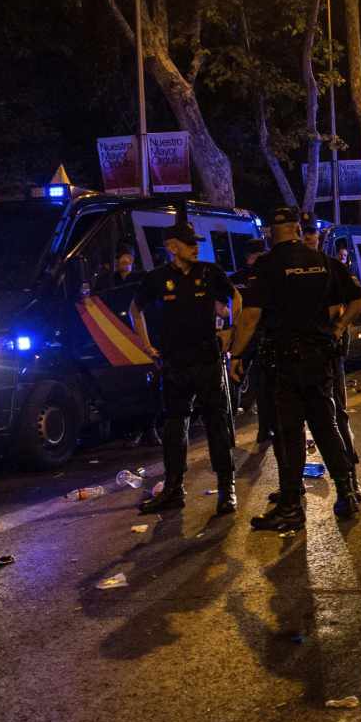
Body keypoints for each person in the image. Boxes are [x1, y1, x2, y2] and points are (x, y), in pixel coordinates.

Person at [228, 206, 361, 530]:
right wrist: (338, 328)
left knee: (289, 432)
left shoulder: (267, 265)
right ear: (295, 228)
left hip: (286, 362)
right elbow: (359, 300)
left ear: (271, 232)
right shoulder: (324, 262)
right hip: (320, 360)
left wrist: (236, 354)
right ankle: (346, 492)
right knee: (325, 426)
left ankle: (291, 505)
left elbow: (250, 317)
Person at [129, 221, 242, 516]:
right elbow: (135, 309)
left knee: (217, 424)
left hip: (207, 360)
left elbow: (236, 297)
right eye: (189, 242)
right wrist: (147, 346)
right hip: (175, 363)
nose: (195, 246)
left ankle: (227, 488)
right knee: (174, 427)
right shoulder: (157, 278)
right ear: (172, 246)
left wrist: (232, 332)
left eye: (196, 242)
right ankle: (173, 489)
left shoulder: (210, 272)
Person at [303, 215, 361, 469]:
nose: (307, 241)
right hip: (303, 350)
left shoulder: (330, 268)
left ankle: (347, 458)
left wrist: (337, 329)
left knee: (336, 407)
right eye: (302, 236)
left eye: (310, 236)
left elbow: (355, 302)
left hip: (328, 348)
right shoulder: (292, 273)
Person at [231, 238, 274, 440]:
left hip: (263, 336)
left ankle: (265, 429)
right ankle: (228, 426)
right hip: (242, 337)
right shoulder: (236, 278)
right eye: (260, 254)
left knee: (263, 383)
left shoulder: (266, 276)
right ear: (251, 256)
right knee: (234, 380)